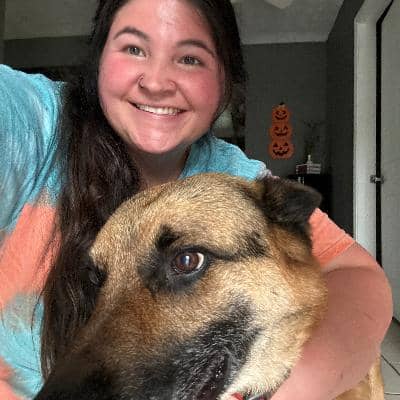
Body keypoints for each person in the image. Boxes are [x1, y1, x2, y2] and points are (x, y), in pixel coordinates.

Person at [0, 0, 392, 399]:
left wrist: (295, 388)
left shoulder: (237, 182)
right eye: (133, 48)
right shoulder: (34, 125)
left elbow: (354, 273)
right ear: (99, 62)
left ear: (225, 83)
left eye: (189, 58)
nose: (156, 82)